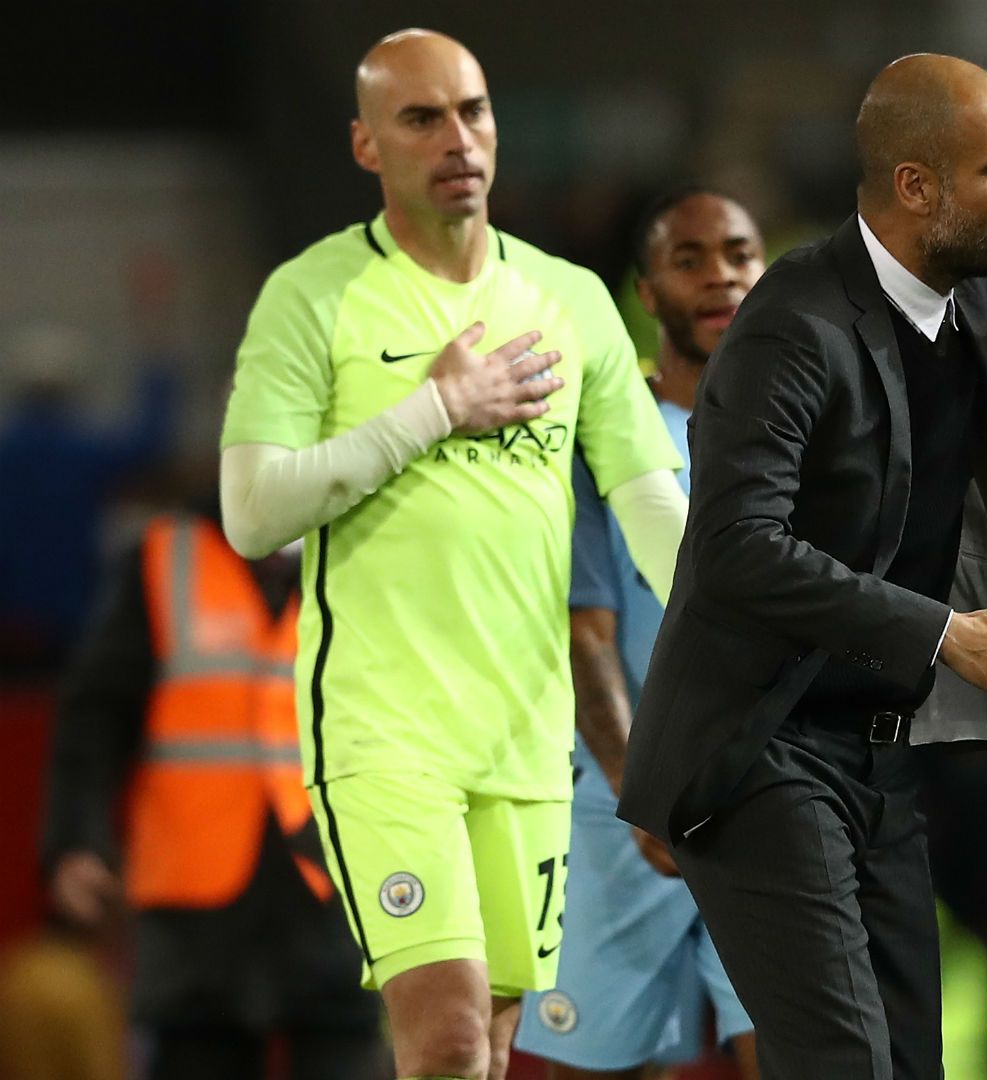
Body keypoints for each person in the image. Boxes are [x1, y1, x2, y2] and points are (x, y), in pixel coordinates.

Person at [216, 29, 688, 1080]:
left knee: (495, 1042)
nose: (458, 138)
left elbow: (654, 510)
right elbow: (251, 514)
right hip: (385, 734)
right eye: (421, 118)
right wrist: (433, 409)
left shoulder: (569, 301)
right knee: (444, 1037)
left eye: (472, 111)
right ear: (366, 145)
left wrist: (762, 631)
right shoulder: (315, 296)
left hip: (527, 739)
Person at [617, 54, 987, 1080]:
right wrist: (947, 634)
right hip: (760, 750)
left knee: (909, 1065)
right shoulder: (791, 325)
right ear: (917, 187)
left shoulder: (973, 310)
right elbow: (737, 547)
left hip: (884, 756)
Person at [516, 188, 764, 1079]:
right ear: (647, 292)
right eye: (688, 259)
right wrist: (641, 791)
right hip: (622, 813)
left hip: (768, 806)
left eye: (737, 253)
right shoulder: (604, 442)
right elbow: (587, 635)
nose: (718, 275)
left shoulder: (804, 444)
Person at [40, 507, 383, 1079]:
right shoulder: (166, 556)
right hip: (196, 899)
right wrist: (75, 839)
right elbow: (95, 716)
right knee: (197, 1054)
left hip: (339, 882)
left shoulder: (372, 546)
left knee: (345, 1052)